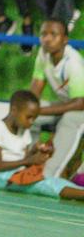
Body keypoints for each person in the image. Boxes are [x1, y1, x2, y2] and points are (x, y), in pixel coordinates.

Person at [0, 90, 84, 202]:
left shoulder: (24, 131)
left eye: (34, 118)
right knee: (46, 184)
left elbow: (25, 160)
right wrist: (29, 160)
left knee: (53, 180)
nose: (32, 122)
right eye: (29, 117)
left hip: (20, 175)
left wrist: (36, 152)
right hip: (0, 178)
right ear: (14, 110)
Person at [28, 18, 84, 181]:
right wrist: (31, 109)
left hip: (79, 108)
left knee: (70, 118)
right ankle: (27, 164)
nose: (47, 38)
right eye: (43, 34)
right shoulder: (43, 54)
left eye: (53, 34)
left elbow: (80, 102)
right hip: (70, 105)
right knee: (28, 113)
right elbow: (35, 88)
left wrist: (40, 110)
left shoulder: (73, 63)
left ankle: (48, 176)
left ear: (65, 39)